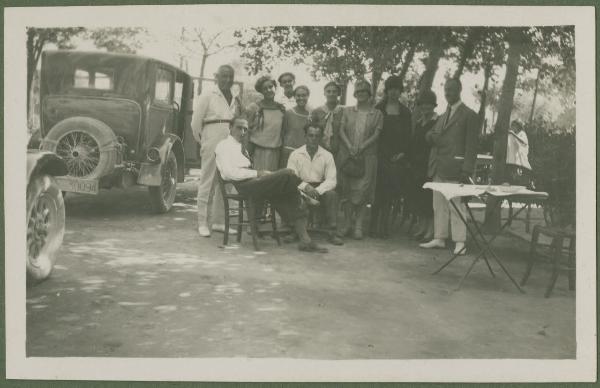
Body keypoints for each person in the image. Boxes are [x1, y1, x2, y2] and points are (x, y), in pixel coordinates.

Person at [215, 117, 328, 253]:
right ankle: (304, 190)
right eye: (239, 127)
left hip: (253, 183)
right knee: (287, 173)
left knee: (287, 191)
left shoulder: (240, 146)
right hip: (244, 186)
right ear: (230, 127)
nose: (243, 131)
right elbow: (230, 173)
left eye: (245, 128)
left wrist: (261, 174)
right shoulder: (223, 145)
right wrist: (258, 173)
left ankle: (306, 241)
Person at [419, 78, 478, 255]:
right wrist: (430, 137)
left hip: (457, 167)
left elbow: (471, 146)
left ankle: (460, 241)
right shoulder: (443, 115)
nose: (448, 93)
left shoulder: (469, 115)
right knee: (439, 204)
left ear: (459, 90)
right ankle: (440, 237)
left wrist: (467, 169)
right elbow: (432, 133)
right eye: (446, 90)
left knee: (456, 206)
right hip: (439, 165)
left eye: (451, 90)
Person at [191, 64, 242, 238]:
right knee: (208, 181)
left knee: (226, 182)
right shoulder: (207, 94)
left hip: (229, 140)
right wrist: (204, 142)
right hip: (212, 138)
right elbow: (195, 123)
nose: (227, 80)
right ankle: (202, 223)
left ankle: (219, 222)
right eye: (224, 76)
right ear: (217, 77)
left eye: (230, 77)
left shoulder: (234, 97)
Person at [337, 79, 383, 240]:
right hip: (349, 156)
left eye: (365, 91)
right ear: (355, 94)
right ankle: (347, 224)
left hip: (367, 157)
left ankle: (358, 226)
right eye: (359, 91)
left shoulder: (377, 114)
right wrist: (349, 146)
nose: (361, 94)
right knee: (348, 191)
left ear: (369, 94)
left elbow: (377, 134)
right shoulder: (348, 111)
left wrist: (362, 146)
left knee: (363, 191)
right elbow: (341, 130)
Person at [369, 75, 412, 238]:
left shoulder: (405, 112)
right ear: (387, 91)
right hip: (379, 155)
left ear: (400, 91)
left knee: (390, 192)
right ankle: (372, 225)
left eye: (397, 89)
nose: (394, 92)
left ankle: (384, 226)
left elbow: (408, 136)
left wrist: (402, 154)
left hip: (397, 158)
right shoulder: (378, 109)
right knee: (377, 190)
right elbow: (373, 132)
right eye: (391, 89)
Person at [287, 123, 343, 245]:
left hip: (320, 189)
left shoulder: (327, 155)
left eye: (317, 136)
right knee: (291, 193)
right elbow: (291, 177)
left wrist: (317, 191)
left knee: (332, 195)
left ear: (321, 137)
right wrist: (305, 187)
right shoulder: (295, 154)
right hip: (301, 187)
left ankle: (332, 232)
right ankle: (295, 231)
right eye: (310, 135)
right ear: (305, 136)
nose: (313, 138)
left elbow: (332, 180)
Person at [408, 89, 438, 242]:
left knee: (428, 198)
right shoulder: (419, 122)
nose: (425, 108)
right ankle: (422, 227)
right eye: (423, 105)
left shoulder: (437, 121)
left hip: (429, 163)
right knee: (418, 195)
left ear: (433, 106)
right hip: (417, 164)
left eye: (429, 105)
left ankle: (430, 230)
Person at [246, 75, 286, 172]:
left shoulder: (281, 109)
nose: (268, 90)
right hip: (257, 151)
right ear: (261, 91)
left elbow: (282, 132)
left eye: (270, 87)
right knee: (258, 181)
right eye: (265, 88)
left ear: (275, 87)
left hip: (275, 152)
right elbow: (246, 130)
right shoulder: (254, 107)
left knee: (272, 181)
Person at [280, 85, 311, 168]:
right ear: (294, 97)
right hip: (289, 152)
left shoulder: (311, 115)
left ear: (308, 96)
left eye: (304, 95)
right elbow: (282, 133)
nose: (301, 98)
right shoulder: (288, 113)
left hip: (304, 153)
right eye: (298, 95)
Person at [310, 81, 344, 154]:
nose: (331, 94)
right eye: (328, 91)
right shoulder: (316, 111)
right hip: (320, 149)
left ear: (338, 94)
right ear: (324, 93)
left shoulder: (343, 111)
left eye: (334, 91)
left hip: (338, 150)